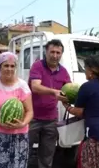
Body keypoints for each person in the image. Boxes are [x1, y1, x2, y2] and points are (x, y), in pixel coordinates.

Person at [28, 39, 70, 168]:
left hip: (51, 119)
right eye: (52, 52)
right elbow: (35, 87)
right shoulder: (37, 66)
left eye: (58, 52)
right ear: (46, 52)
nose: (55, 55)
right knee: (24, 151)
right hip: (32, 117)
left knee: (47, 155)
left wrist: (71, 105)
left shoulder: (64, 72)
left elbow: (68, 92)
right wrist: (54, 92)